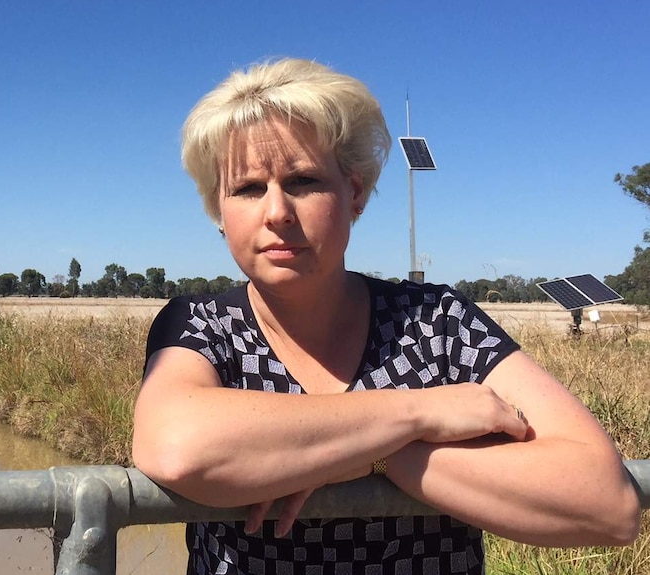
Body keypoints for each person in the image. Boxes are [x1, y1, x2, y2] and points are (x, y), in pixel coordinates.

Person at [132, 58, 640, 575]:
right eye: (247, 188)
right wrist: (418, 416)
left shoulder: (437, 323)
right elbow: (175, 445)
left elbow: (607, 504)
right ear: (219, 211)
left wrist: (375, 458)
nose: (277, 211)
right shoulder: (201, 325)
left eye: (304, 181)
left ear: (353, 193)